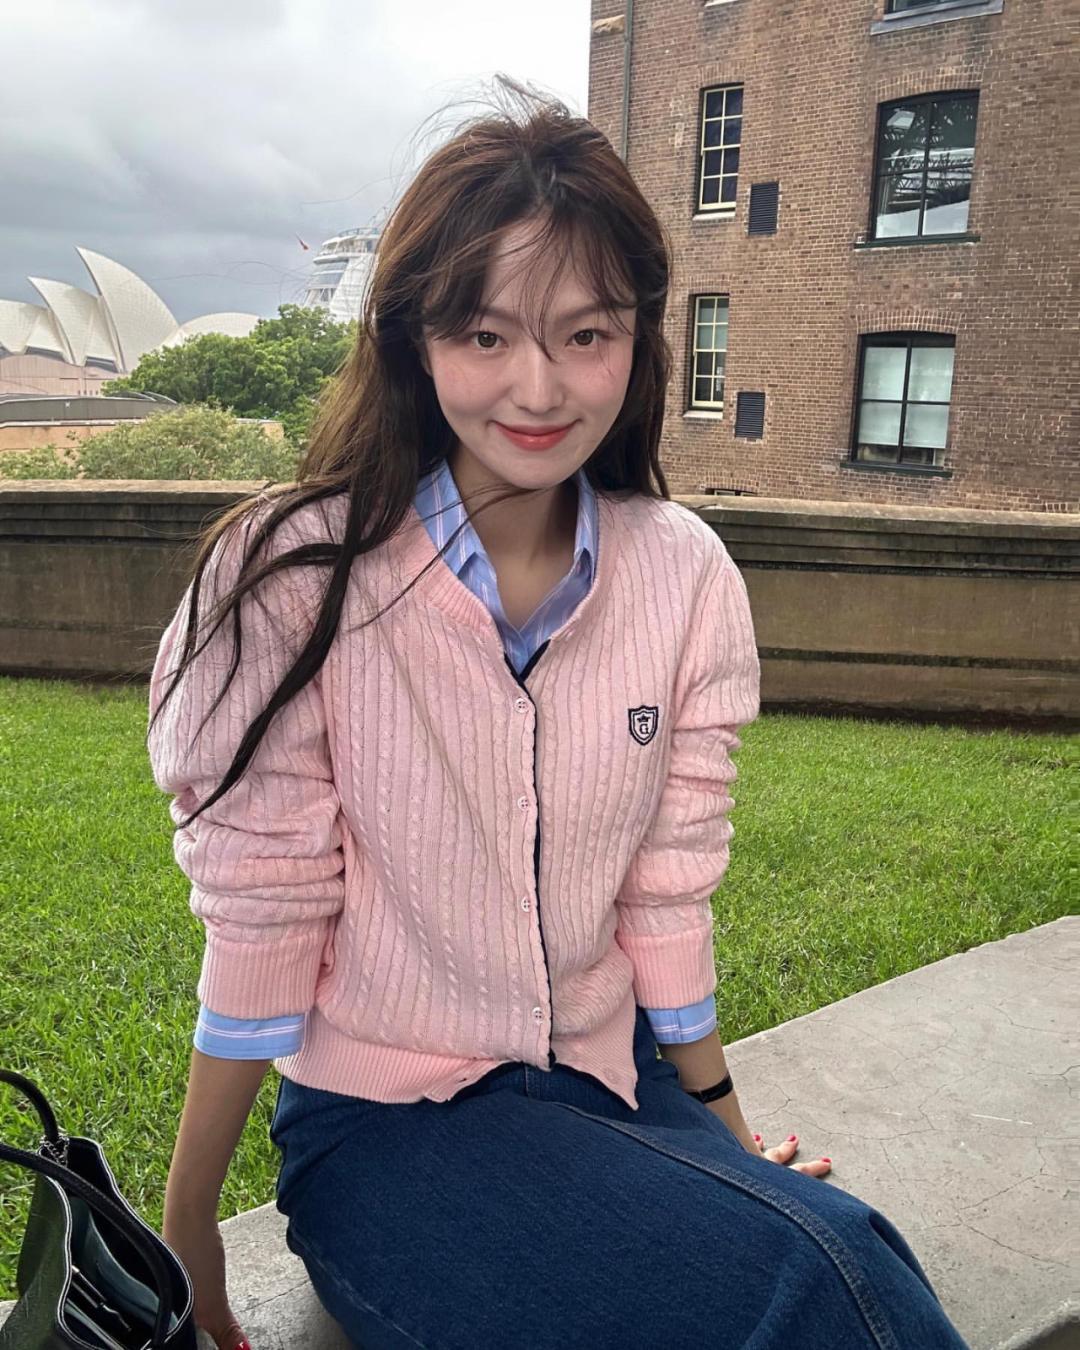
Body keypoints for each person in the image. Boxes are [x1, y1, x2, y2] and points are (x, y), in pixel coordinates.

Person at [146, 79, 968, 1350]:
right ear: (414, 340)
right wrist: (189, 1218)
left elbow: (667, 891)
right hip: (390, 1132)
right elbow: (266, 909)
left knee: (847, 1258)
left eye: (586, 335)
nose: (538, 388)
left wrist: (726, 1137)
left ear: (639, 339)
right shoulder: (295, 579)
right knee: (815, 1290)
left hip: (614, 1080)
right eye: (485, 335)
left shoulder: (683, 575)